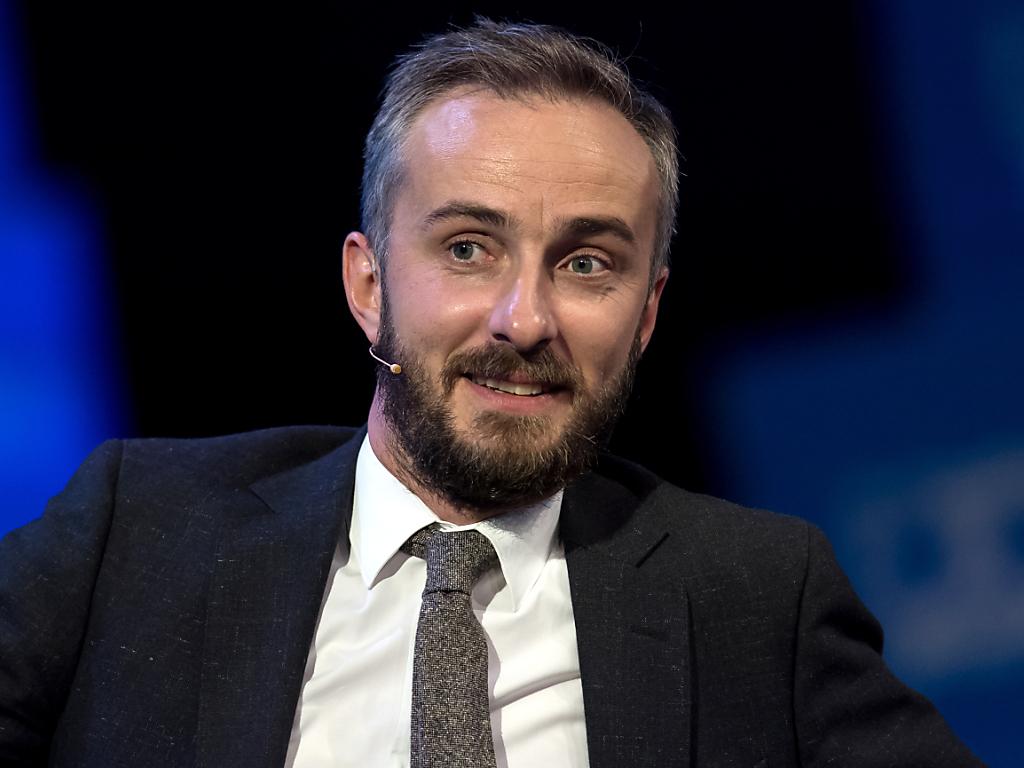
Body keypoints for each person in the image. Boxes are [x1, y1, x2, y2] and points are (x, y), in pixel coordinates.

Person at [0, 19, 982, 768]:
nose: (524, 319)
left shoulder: (753, 597)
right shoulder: (138, 532)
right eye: (469, 249)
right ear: (368, 285)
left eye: (587, 264)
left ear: (645, 315)